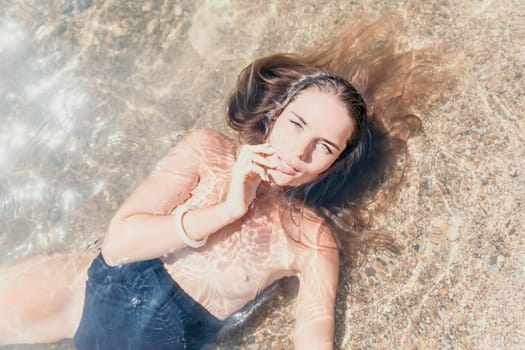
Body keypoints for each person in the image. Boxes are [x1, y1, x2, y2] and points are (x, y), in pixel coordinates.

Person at [0, 16, 443, 349]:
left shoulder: (312, 240)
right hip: (84, 287)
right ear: (274, 116)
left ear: (336, 165)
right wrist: (228, 208)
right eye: (296, 124)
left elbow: (313, 334)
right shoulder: (206, 150)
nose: (300, 153)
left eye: (324, 147)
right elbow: (117, 247)